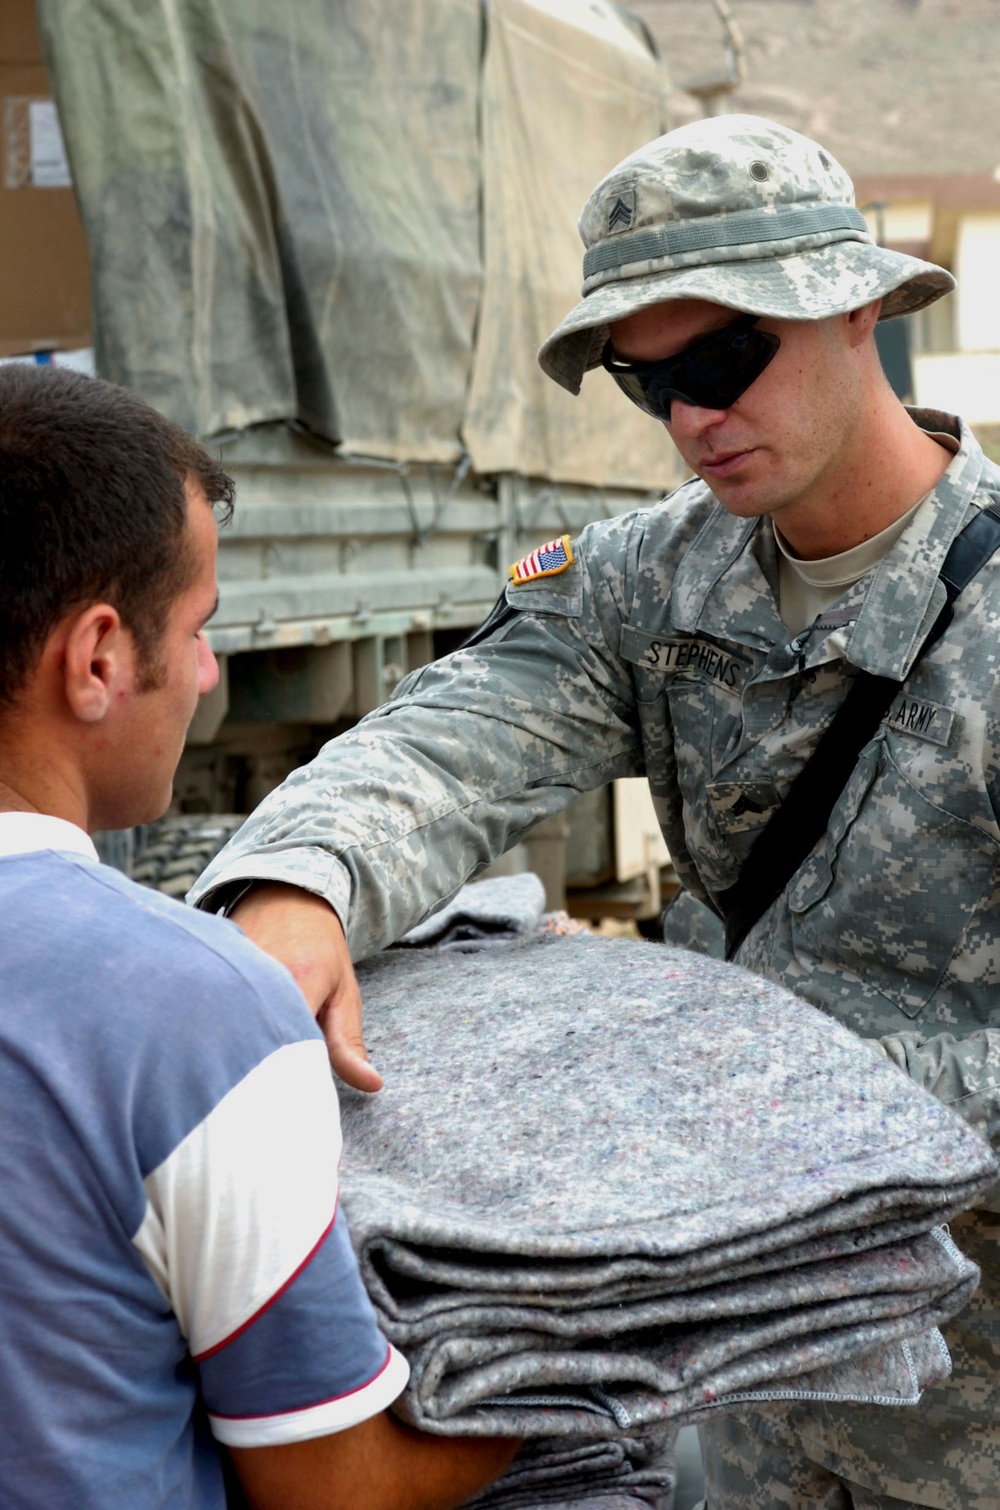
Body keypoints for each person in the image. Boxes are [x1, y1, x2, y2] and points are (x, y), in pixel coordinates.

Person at [191, 114, 1000, 1507]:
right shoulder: (643, 586)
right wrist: (301, 885)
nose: (695, 418)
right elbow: (448, 745)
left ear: (856, 305)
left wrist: (782, 1112)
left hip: (967, 1374)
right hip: (758, 1367)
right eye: (649, 383)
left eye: (727, 359)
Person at [0, 363, 516, 1509]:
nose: (205, 672)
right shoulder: (189, 1013)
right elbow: (331, 1484)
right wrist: (579, 1390)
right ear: (96, 660)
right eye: (197, 629)